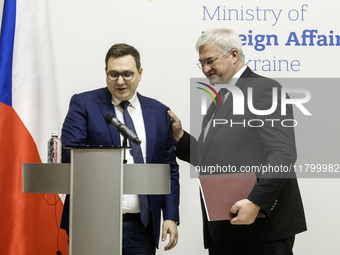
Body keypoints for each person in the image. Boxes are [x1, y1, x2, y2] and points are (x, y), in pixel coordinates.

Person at [168, 28, 306, 255]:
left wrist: (256, 202)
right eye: (200, 63)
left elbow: (283, 154)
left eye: (210, 60)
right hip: (228, 231)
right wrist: (181, 137)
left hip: (261, 231)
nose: (205, 69)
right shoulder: (219, 99)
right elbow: (210, 160)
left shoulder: (263, 90)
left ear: (233, 55)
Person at [60, 43, 179, 254]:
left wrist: (170, 215)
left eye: (127, 74)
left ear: (140, 73)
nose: (120, 81)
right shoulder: (84, 104)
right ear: (105, 73)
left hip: (141, 227)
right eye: (113, 74)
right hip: (92, 224)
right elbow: (71, 156)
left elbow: (168, 168)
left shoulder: (159, 112)